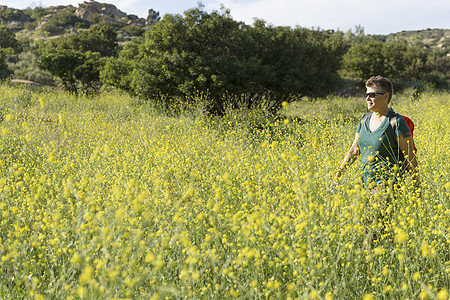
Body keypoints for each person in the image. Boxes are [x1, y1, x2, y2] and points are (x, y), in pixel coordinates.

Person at [333, 75, 419, 196]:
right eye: (366, 94)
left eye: (372, 94)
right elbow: (354, 150)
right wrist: (338, 175)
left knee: (373, 214)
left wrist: (417, 189)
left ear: (386, 96)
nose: (368, 98)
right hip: (365, 184)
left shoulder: (396, 122)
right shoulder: (364, 120)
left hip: (387, 186)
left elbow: (410, 157)